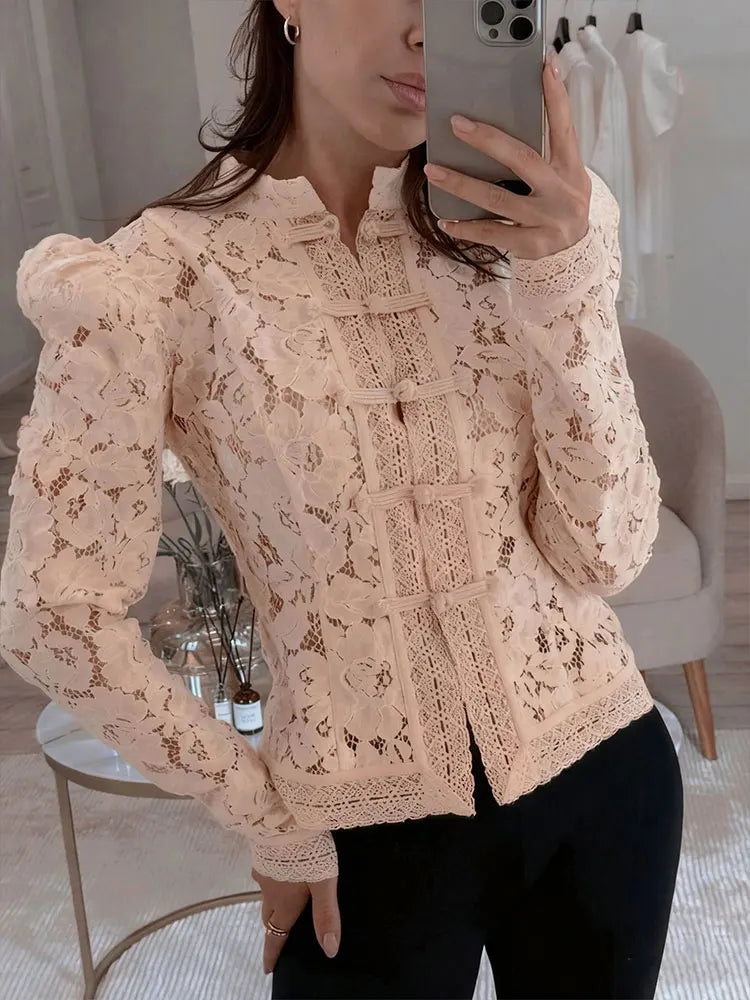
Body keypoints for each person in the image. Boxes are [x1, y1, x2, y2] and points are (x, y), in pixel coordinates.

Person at [0, 1, 683, 998]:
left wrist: (566, 284)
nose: (425, 30)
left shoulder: (541, 231)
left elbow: (604, 556)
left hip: (608, 780)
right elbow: (51, 615)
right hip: (360, 838)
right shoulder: (154, 282)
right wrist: (262, 814)